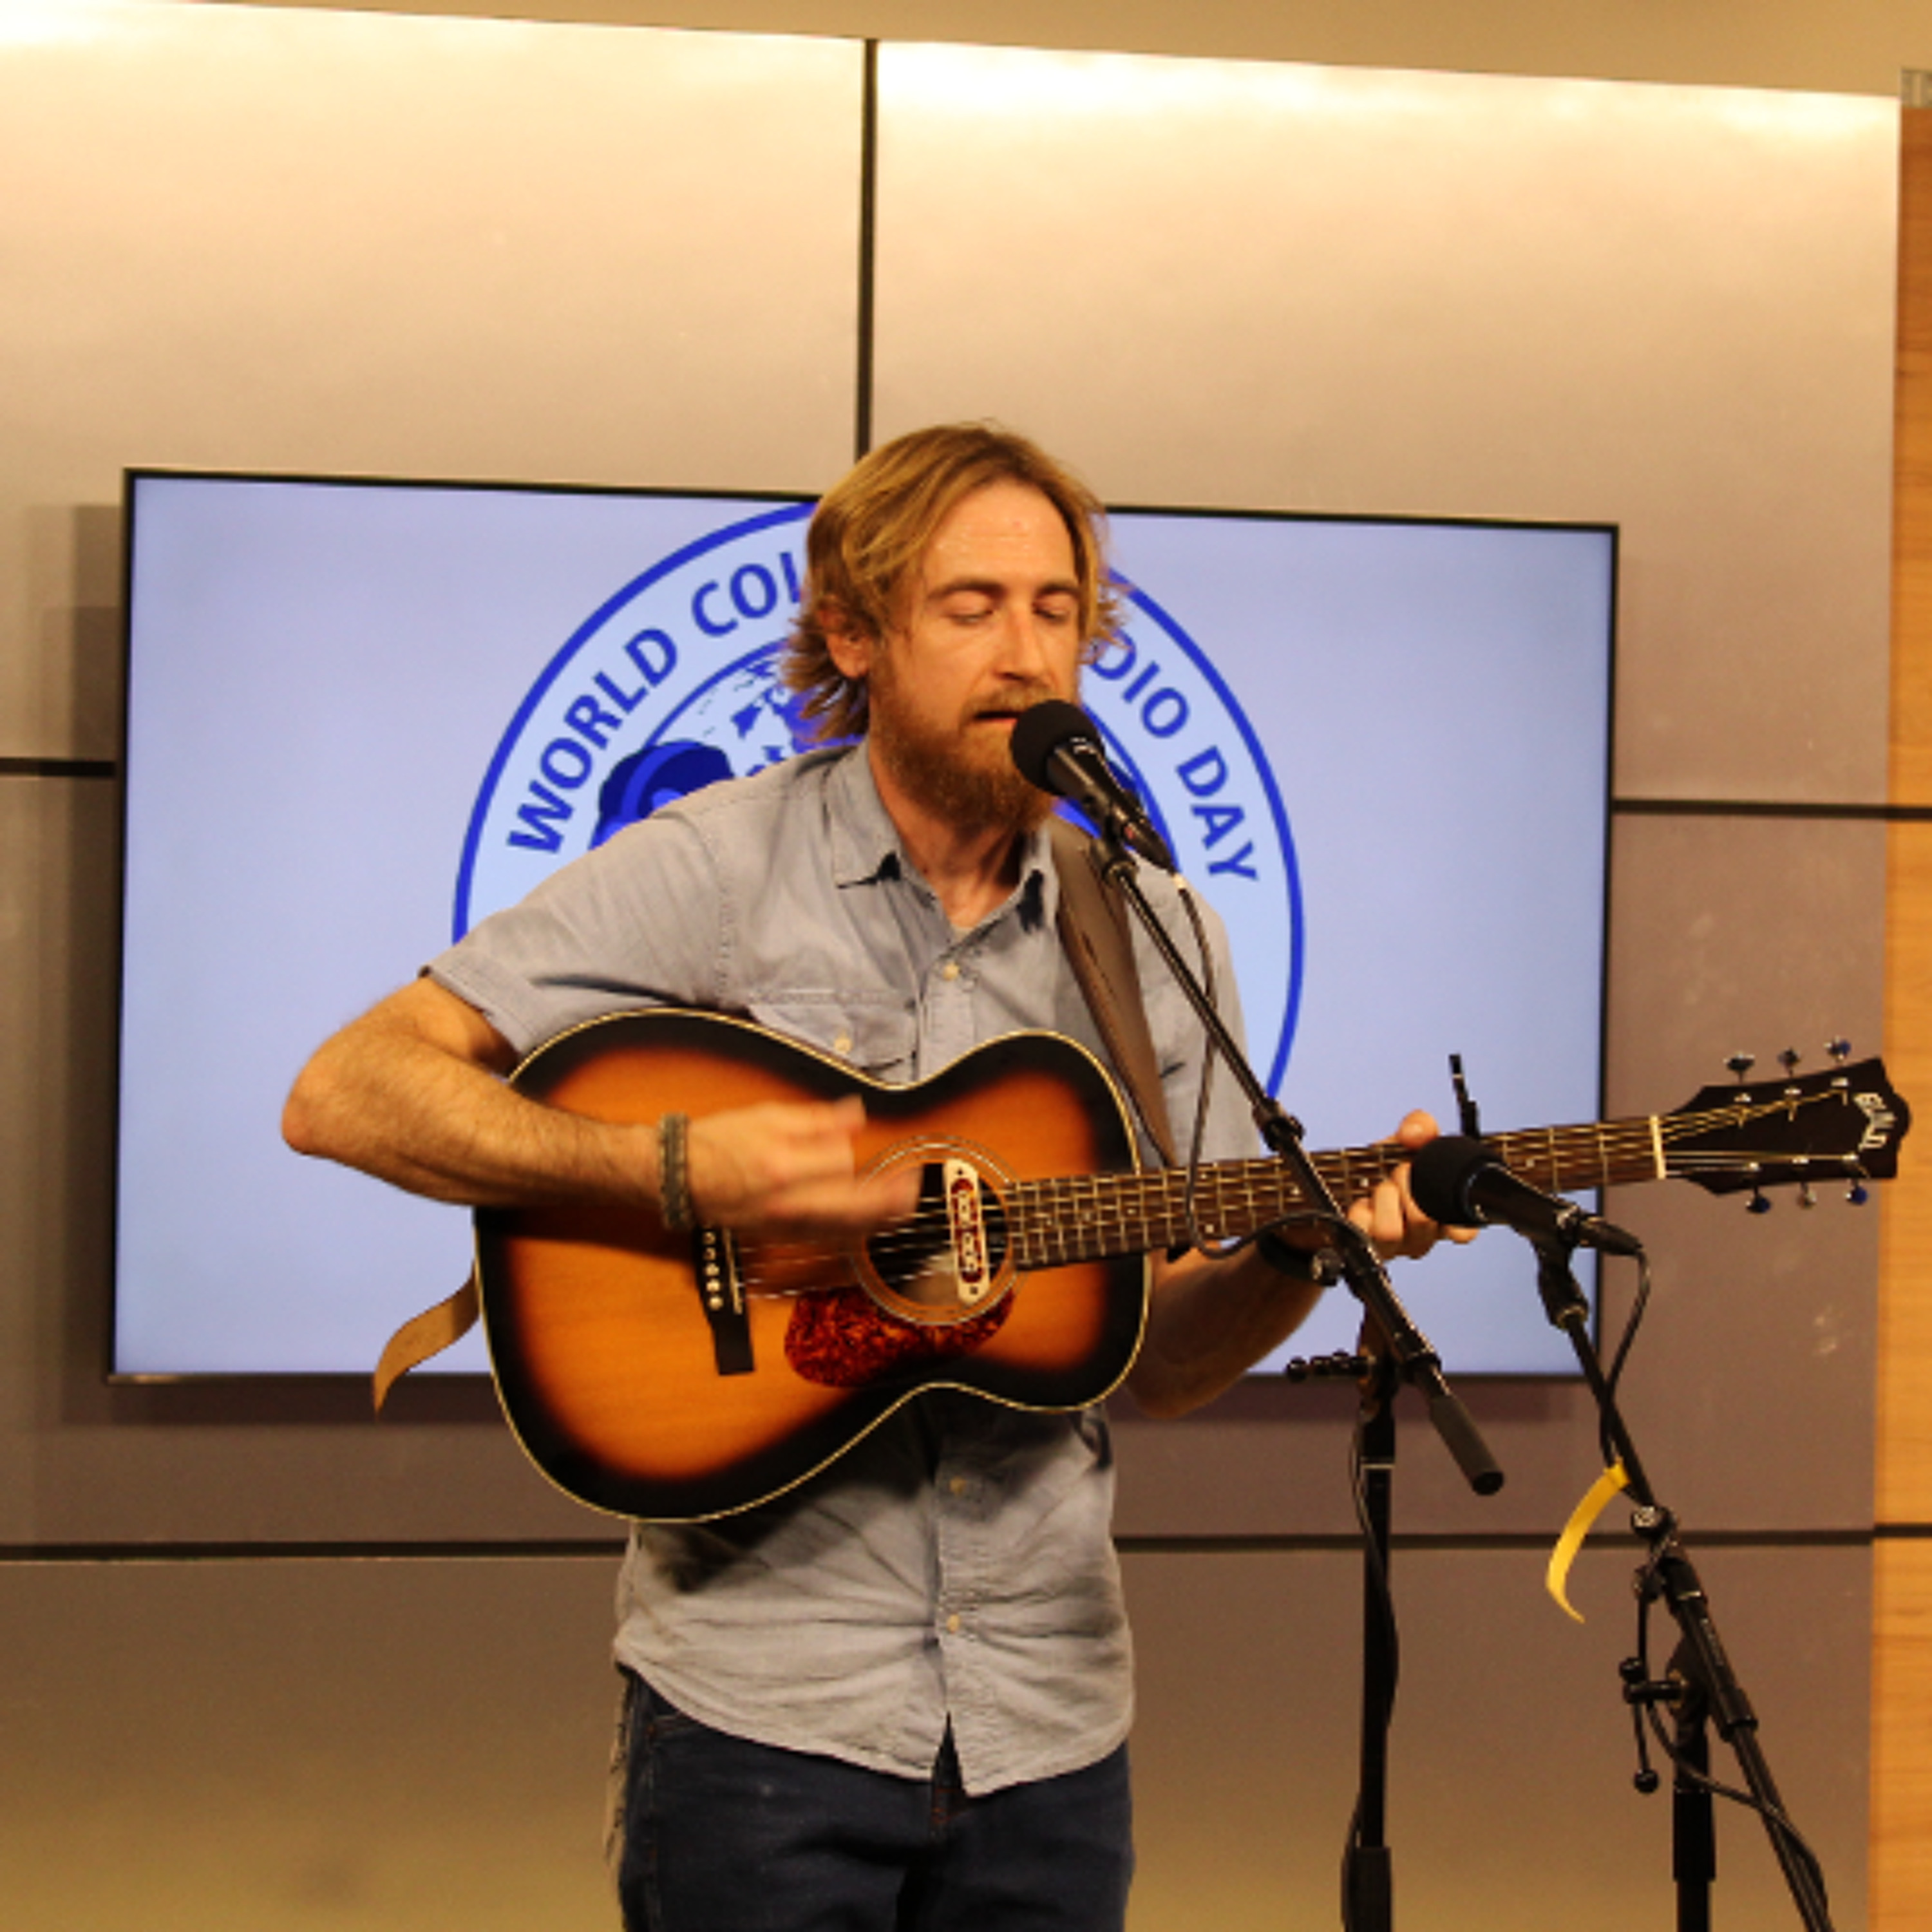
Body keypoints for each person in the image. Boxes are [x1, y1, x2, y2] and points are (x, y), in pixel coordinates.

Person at [283, 422, 1450, 1931]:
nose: (1025, 655)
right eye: (972, 608)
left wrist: (1302, 1248)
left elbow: (1159, 1366)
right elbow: (348, 1091)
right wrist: (675, 1170)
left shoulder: (1149, 927)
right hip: (765, 1715)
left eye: (1054, 610)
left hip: (1050, 1721)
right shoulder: (717, 866)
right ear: (855, 631)